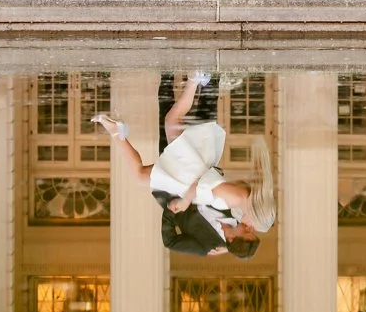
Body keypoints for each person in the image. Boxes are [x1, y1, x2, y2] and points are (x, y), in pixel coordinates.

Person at [91, 73, 276, 257]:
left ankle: (116, 131)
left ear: (233, 239)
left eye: (248, 230)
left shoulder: (234, 216)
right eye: (252, 227)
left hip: (181, 185)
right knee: (173, 121)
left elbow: (171, 240)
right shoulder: (238, 202)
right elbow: (206, 184)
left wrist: (174, 205)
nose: (248, 226)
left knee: (142, 171)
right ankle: (196, 79)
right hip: (191, 173)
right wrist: (185, 201)